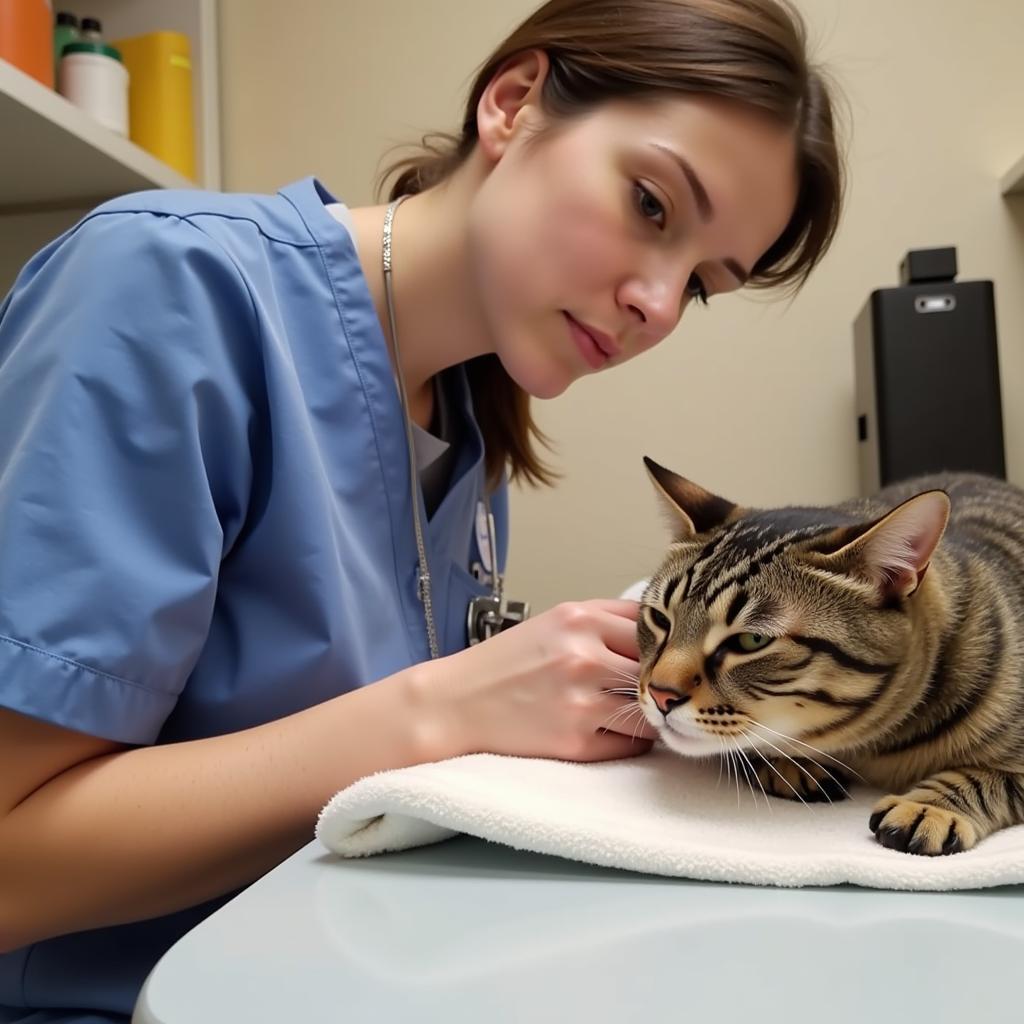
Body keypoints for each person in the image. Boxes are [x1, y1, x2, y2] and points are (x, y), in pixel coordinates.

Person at [0, 0, 844, 1019]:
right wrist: (444, 708)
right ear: (515, 102)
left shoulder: (469, 421)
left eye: (702, 286)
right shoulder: (164, 291)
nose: (658, 305)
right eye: (652, 206)